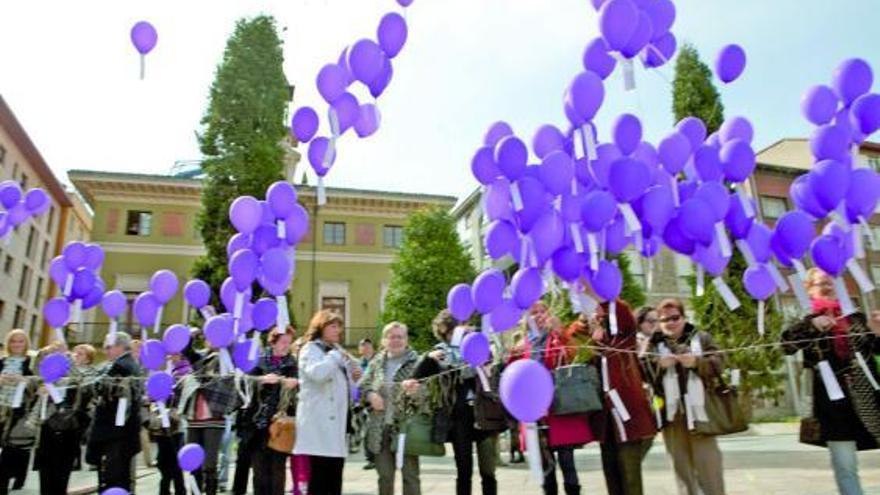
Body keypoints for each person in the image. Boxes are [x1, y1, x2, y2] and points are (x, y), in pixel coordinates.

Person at [781, 268, 880, 495]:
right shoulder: (805, 320)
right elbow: (787, 345)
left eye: (832, 282)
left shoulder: (854, 317)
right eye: (821, 284)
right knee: (846, 465)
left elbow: (875, 348)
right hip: (833, 406)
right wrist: (812, 326)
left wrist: (878, 332)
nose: (828, 287)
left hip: (866, 396)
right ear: (809, 290)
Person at [647, 298, 726, 495]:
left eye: (675, 317)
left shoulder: (702, 337)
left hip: (702, 414)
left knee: (709, 470)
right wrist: (658, 366)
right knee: (682, 472)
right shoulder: (653, 344)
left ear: (684, 318)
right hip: (672, 417)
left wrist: (697, 363)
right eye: (665, 320)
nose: (671, 323)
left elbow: (719, 363)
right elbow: (643, 373)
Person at [416, 309, 499, 495]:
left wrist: (485, 363)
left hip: (483, 415)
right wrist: (428, 359)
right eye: (448, 333)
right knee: (464, 471)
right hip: (458, 419)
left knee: (488, 470)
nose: (454, 335)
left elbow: (491, 369)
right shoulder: (440, 352)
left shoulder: (478, 345)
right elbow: (418, 375)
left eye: (456, 330)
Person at [509, 302, 580, 495]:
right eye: (534, 313)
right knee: (546, 467)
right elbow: (513, 377)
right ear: (527, 319)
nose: (539, 315)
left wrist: (561, 333)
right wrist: (513, 355)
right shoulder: (523, 343)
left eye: (543, 311)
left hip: (559, 409)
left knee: (568, 463)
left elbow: (572, 355)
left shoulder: (555, 337)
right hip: (535, 412)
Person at [586, 301, 657, 495]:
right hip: (606, 422)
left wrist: (593, 292)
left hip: (628, 418)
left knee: (630, 479)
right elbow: (572, 339)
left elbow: (620, 308)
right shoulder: (594, 345)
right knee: (612, 476)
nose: (596, 316)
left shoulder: (624, 338)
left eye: (600, 316)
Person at [294, 310, 362, 495]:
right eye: (333, 326)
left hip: (336, 426)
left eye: (339, 327)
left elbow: (341, 386)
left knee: (334, 477)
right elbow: (318, 374)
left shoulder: (334, 351)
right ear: (320, 327)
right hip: (319, 425)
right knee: (320, 478)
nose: (337, 330)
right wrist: (335, 357)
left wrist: (352, 376)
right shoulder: (311, 349)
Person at [361, 322, 421, 495]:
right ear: (384, 340)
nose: (396, 340)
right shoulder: (377, 362)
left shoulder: (416, 362)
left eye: (400, 337)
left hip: (406, 428)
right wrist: (371, 394)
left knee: (410, 477)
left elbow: (430, 393)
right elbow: (363, 385)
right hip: (381, 428)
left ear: (406, 339)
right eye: (391, 337)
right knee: (385, 477)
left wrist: (416, 391)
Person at [180, 337, 241, 495]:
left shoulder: (226, 358)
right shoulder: (202, 356)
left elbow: (208, 372)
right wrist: (189, 338)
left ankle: (210, 492)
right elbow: (190, 354)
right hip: (194, 418)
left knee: (209, 464)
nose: (211, 339)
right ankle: (194, 492)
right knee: (194, 464)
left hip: (214, 417)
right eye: (209, 336)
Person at [33, 345, 94, 495]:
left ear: (88, 359)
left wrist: (69, 363)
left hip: (70, 428)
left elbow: (84, 389)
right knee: (45, 470)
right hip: (49, 425)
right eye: (75, 353)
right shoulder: (60, 372)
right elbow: (41, 372)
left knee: (61, 472)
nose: (75, 356)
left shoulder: (89, 374)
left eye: (81, 354)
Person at [87, 331, 143, 492]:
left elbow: (98, 388)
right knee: (121, 476)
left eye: (108, 347)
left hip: (115, 432)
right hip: (124, 430)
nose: (105, 351)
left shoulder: (120, 365)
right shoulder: (132, 363)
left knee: (114, 477)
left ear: (119, 347)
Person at [250, 326, 299, 495]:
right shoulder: (259, 360)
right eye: (283, 342)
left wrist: (296, 383)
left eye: (289, 343)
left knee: (278, 471)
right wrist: (261, 379)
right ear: (273, 342)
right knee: (259, 471)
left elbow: (302, 386)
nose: (286, 346)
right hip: (259, 425)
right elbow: (246, 381)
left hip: (281, 425)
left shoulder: (293, 363)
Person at [0, 329, 36, 494]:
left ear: (26, 343)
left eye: (20, 341)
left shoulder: (31, 362)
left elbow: (38, 387)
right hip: (1, 407)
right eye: (13, 341)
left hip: (18, 411)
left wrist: (24, 381)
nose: (16, 344)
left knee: (10, 450)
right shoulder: (2, 361)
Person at [149, 353, 187, 495]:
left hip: (175, 424)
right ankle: (165, 489)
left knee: (175, 461)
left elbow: (181, 396)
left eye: (175, 354)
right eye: (168, 355)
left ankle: (179, 490)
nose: (170, 357)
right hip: (160, 424)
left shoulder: (184, 371)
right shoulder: (162, 372)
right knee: (163, 461)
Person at [356, 337, 377, 468]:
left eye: (368, 346)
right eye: (363, 346)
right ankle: (370, 458)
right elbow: (355, 384)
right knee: (365, 430)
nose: (366, 348)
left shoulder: (378, 361)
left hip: (375, 399)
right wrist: (355, 399)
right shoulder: (357, 364)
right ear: (360, 350)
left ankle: (373, 458)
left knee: (371, 429)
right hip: (362, 401)